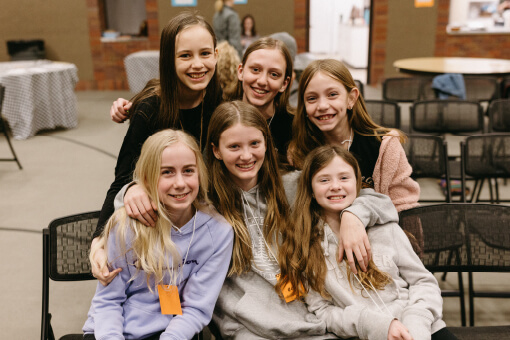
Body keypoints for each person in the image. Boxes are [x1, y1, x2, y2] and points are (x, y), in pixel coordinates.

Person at [206, 101, 399, 339]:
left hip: (313, 316)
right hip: (249, 326)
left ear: (266, 143)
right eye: (234, 146)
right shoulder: (206, 205)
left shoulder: (292, 185)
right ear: (216, 150)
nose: (246, 155)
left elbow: (377, 200)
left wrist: (354, 214)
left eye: (255, 143)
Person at [93, 11, 222, 285]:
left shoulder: (219, 103)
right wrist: (98, 240)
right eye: (185, 56)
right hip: (160, 225)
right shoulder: (150, 109)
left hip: (202, 225)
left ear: (216, 54)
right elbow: (121, 179)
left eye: (205, 53)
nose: (197, 64)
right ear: (168, 59)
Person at [281, 145, 456, 340]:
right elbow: (322, 311)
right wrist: (374, 325)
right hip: (364, 334)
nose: (336, 186)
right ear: (311, 190)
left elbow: (423, 282)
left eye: (344, 178)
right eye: (324, 180)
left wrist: (416, 322)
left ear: (357, 184)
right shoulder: (304, 244)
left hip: (420, 327)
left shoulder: (385, 228)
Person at [83, 129, 234, 340]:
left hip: (170, 333)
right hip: (110, 331)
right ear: (147, 177)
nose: (180, 183)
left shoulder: (218, 233)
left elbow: (196, 309)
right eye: (167, 172)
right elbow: (109, 301)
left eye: (189, 170)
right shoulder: (126, 226)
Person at [288, 58, 420, 213]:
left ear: (351, 98)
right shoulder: (299, 150)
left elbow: (404, 206)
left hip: (374, 232)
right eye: (312, 98)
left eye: (332, 94)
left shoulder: (383, 146)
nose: (322, 106)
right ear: (304, 106)